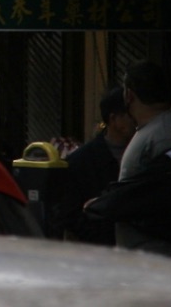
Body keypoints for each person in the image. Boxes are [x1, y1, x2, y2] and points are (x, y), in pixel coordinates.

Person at [112, 60, 171, 253]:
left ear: (129, 95)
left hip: (157, 255)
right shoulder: (153, 130)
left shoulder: (166, 133)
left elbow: (168, 195)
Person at [59, 88, 134, 244]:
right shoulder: (81, 162)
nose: (136, 119)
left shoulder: (142, 153)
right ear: (114, 119)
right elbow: (70, 214)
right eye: (129, 114)